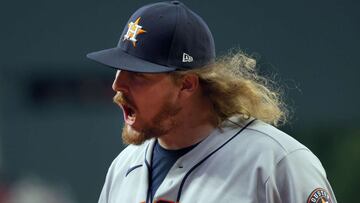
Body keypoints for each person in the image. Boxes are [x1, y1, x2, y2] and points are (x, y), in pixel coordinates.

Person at [87, 1, 337, 203]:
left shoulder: (276, 163)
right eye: (118, 70)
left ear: (186, 84)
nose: (118, 85)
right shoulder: (123, 167)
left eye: (138, 75)